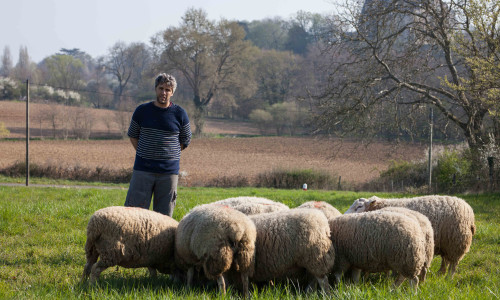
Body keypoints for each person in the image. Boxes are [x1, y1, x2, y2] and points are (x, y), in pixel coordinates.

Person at [124, 73, 191, 217]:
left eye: (168, 90)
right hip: (143, 170)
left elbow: (185, 139)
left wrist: (168, 156)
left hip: (168, 173)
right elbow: (133, 135)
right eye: (161, 88)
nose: (164, 93)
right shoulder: (142, 111)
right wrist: (145, 152)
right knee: (134, 214)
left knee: (164, 217)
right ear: (155, 89)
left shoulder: (180, 114)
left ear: (172, 92)